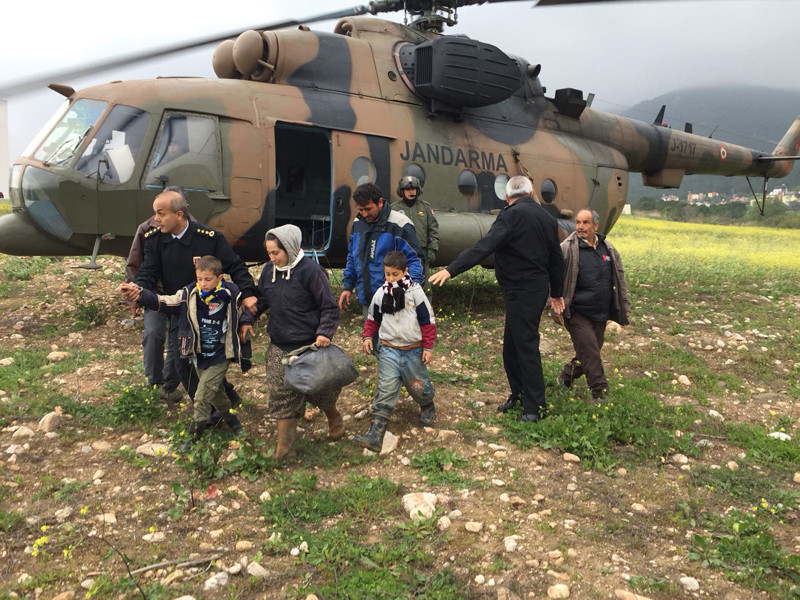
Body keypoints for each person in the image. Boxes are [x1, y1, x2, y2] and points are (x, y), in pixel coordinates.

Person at [429, 175, 565, 423]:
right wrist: (556, 292)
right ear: (532, 193)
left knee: (525, 348)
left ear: (507, 196)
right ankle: (520, 395)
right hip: (533, 291)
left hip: (521, 291)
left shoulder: (510, 215)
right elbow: (556, 257)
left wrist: (451, 269)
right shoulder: (547, 217)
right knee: (512, 349)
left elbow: (484, 246)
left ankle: (536, 408)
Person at [119, 187, 257, 407]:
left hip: (208, 311)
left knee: (202, 360)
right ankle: (214, 409)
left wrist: (248, 294)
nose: (156, 219)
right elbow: (148, 272)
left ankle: (217, 407)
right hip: (180, 309)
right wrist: (138, 289)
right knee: (185, 361)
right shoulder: (155, 239)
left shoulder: (209, 239)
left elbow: (235, 266)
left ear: (179, 215)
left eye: (161, 213)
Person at [239, 225, 343, 461]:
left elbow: (328, 306)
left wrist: (324, 332)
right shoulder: (269, 271)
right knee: (281, 393)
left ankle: (333, 417)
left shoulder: (312, 272)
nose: (272, 257)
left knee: (319, 390)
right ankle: (285, 448)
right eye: (269, 252)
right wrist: (247, 318)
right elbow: (261, 298)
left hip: (308, 345)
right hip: (279, 344)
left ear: (290, 248)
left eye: (276, 252)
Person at [132, 255, 249, 447]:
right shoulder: (189, 294)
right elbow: (165, 301)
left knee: (202, 397)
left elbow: (248, 309)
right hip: (199, 354)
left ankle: (192, 440)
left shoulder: (231, 295)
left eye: (208, 279)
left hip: (220, 354)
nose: (203, 283)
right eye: (199, 279)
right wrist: (141, 294)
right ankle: (236, 426)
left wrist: (247, 323)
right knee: (218, 395)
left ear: (219, 278)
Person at [353, 251, 436, 451]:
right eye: (388, 274)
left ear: (405, 271)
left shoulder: (415, 293)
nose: (390, 278)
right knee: (386, 388)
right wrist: (366, 337)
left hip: (412, 350)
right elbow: (373, 318)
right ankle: (375, 434)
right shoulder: (381, 293)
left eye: (395, 274)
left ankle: (427, 403)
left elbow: (427, 321)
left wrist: (428, 346)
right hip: (389, 348)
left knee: (418, 386)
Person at [552, 209, 630, 400]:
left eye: (585, 223)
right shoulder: (567, 248)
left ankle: (566, 376)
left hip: (601, 313)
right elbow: (552, 277)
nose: (580, 227)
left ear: (596, 225)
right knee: (591, 353)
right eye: (578, 222)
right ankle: (600, 393)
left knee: (589, 351)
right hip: (577, 312)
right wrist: (553, 304)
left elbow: (619, 278)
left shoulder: (608, 248)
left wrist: (624, 305)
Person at [338, 182, 424, 318]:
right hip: (368, 301)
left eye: (368, 209)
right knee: (370, 338)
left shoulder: (400, 224)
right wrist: (347, 286)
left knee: (391, 340)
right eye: (360, 210)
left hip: (395, 302)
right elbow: (352, 257)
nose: (364, 214)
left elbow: (415, 260)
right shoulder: (357, 223)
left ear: (379, 202)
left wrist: (411, 292)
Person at [125, 215, 186, 403]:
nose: (158, 217)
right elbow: (135, 263)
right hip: (154, 294)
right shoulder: (146, 229)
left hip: (181, 298)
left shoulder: (194, 229)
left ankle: (168, 386)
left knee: (179, 342)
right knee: (152, 334)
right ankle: (153, 384)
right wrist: (134, 299)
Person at [391, 175, 439, 290]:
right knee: (399, 283)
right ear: (401, 191)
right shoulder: (394, 208)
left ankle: (425, 306)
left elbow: (433, 229)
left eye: (414, 189)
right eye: (407, 189)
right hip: (400, 252)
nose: (411, 191)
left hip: (421, 252)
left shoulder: (425, 207)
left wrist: (433, 249)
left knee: (424, 285)